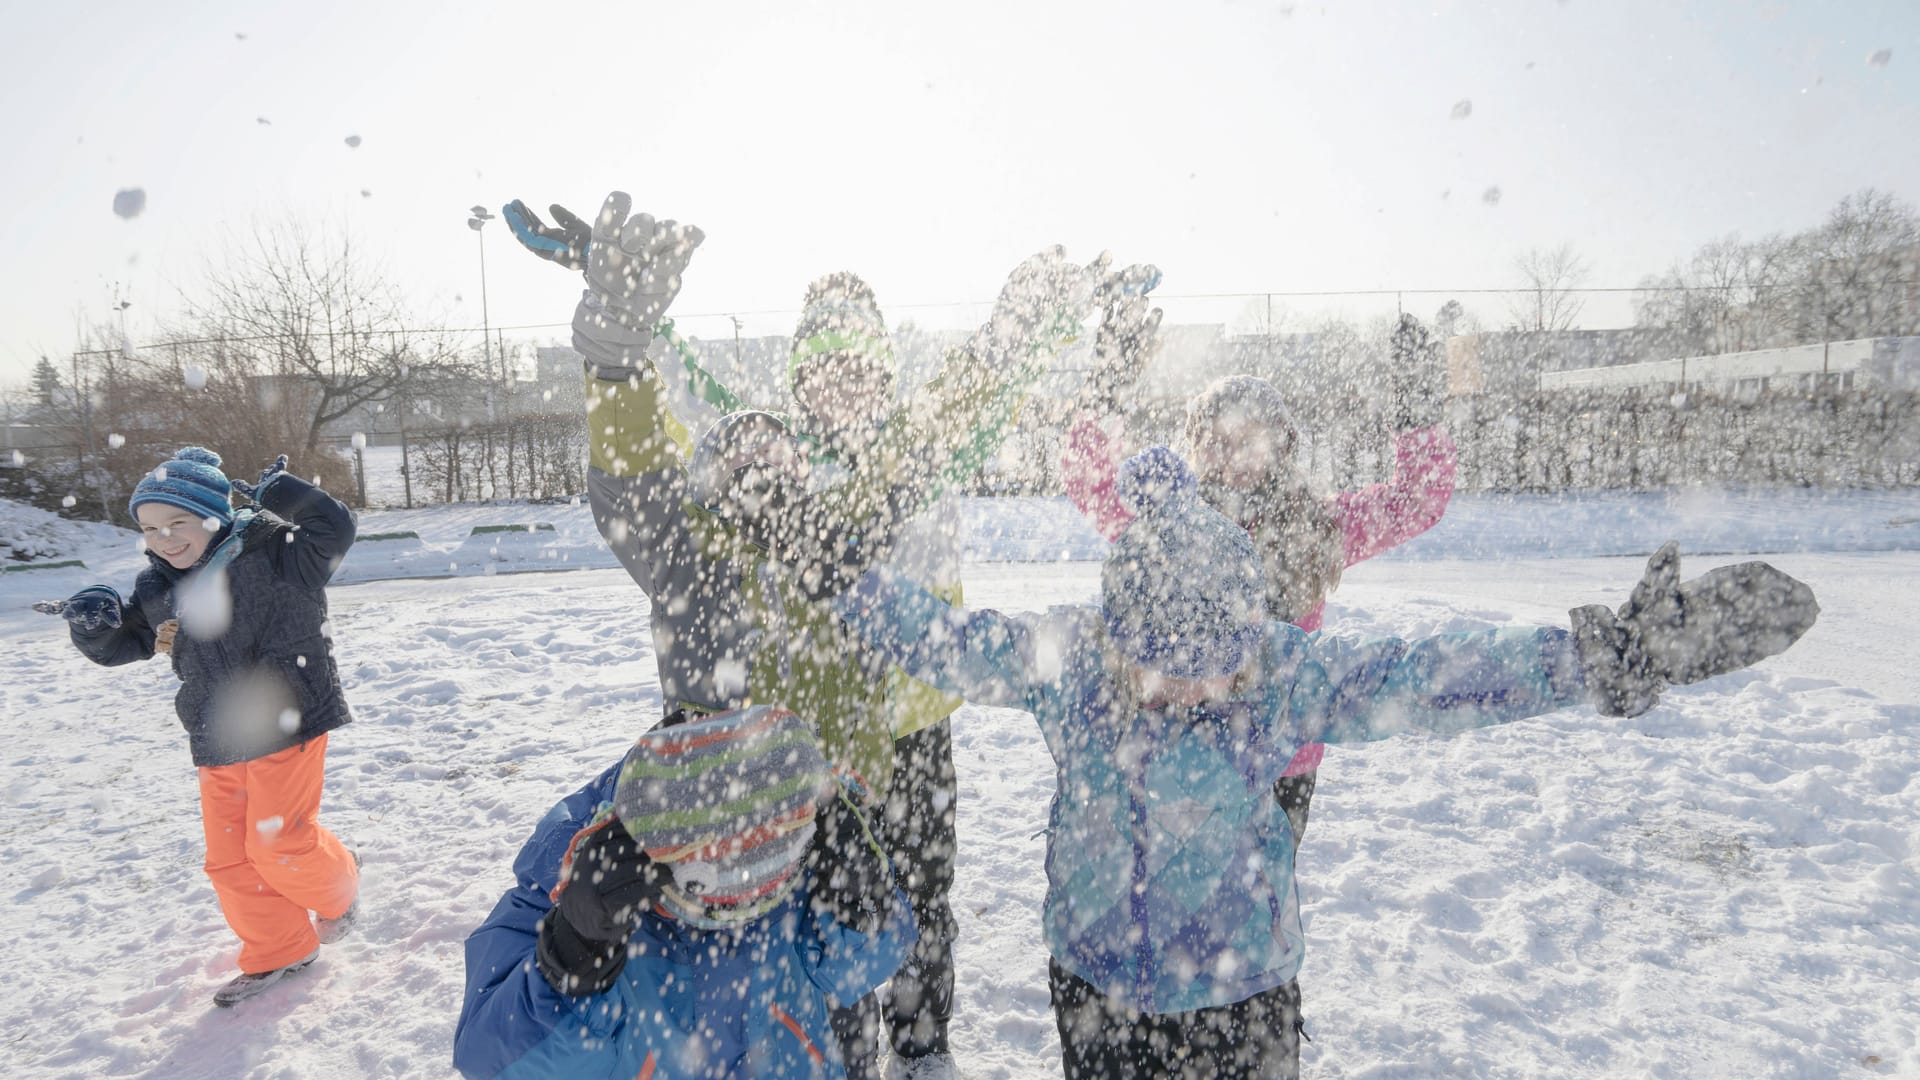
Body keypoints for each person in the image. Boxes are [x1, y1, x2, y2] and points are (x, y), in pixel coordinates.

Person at [803, 446, 1817, 1078]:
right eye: (1163, 667)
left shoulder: (1286, 678)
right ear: (1118, 635)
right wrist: (845, 580)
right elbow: (945, 639)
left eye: (1213, 667)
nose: (1189, 692)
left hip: (1245, 999)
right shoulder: (1068, 665)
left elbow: (1431, 674)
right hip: (1097, 985)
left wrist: (1594, 658)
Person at [510, 192, 1107, 1076]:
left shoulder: (889, 466)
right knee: (812, 947)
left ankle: (919, 1039)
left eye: (859, 366)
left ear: (884, 374)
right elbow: (669, 416)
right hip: (781, 770)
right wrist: (619, 324)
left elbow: (971, 389)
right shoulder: (725, 527)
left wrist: (1024, 326)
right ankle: (841, 1045)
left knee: (905, 902)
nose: (841, 384)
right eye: (823, 368)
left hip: (901, 730)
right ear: (797, 383)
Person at [1061, 312, 1458, 847]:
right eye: (1218, 440)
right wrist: (1106, 385)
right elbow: (1093, 483)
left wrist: (1418, 414)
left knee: (1262, 912)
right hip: (1184, 751)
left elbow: (1416, 500)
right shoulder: (1167, 525)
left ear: (1281, 445)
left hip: (1282, 758)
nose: (1233, 456)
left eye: (1250, 440)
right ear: (1195, 446)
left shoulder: (1316, 527)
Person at [51, 447, 362, 1007]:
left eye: (178, 523)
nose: (164, 538)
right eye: (150, 528)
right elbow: (124, 644)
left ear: (213, 516)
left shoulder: (279, 553)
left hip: (286, 716)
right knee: (229, 859)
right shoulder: (159, 586)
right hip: (215, 731)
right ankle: (280, 948)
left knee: (281, 843)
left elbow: (335, 527)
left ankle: (341, 890)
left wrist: (283, 492)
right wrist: (94, 627)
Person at [452, 705, 915, 1079]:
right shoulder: (565, 878)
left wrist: (862, 891)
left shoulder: (790, 831)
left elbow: (862, 966)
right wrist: (572, 951)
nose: (740, 914)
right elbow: (488, 1058)